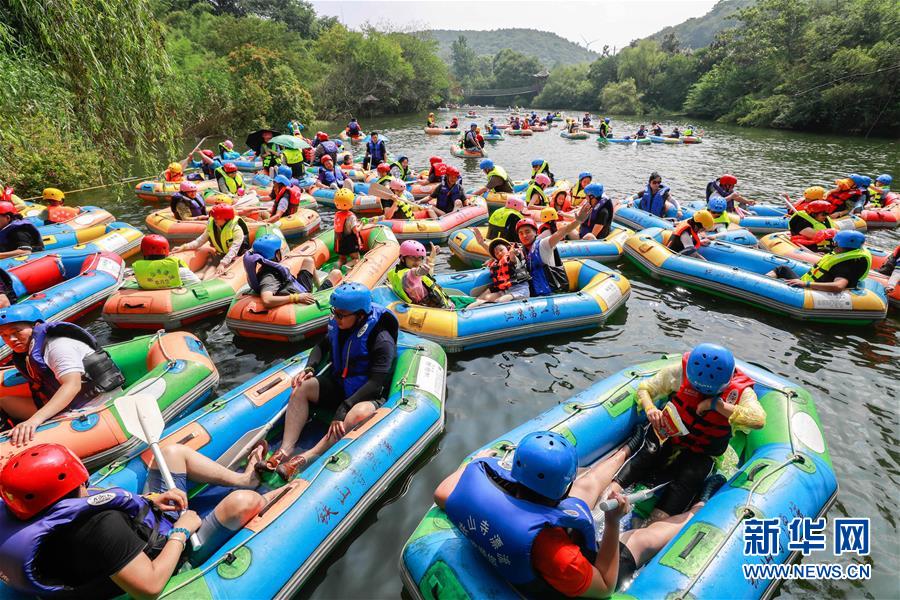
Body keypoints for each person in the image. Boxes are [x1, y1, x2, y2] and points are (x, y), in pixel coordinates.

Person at [435, 430, 710, 598]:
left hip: (530, 523)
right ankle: (701, 506)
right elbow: (604, 586)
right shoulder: (560, 557)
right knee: (639, 539)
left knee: (585, 489)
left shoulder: (469, 494)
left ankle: (628, 449)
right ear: (561, 488)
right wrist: (613, 524)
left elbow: (442, 492)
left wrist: (476, 460)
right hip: (557, 566)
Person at [0, 442, 273, 598]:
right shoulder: (100, 527)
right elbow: (150, 588)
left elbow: (86, 500)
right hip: (162, 556)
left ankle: (242, 478)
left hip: (138, 533)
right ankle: (280, 490)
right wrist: (181, 531)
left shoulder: (31, 514)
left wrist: (150, 500)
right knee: (243, 502)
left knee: (171, 453)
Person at [610, 344, 764, 523]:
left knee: (690, 476)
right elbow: (645, 389)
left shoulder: (742, 391)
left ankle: (653, 523)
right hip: (670, 433)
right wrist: (650, 407)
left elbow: (758, 420)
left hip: (703, 449)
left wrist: (715, 405)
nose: (700, 394)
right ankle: (611, 491)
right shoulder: (680, 371)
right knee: (648, 453)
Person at [258, 283, 398, 480]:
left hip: (366, 394)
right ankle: (285, 450)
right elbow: (321, 346)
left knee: (357, 414)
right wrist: (310, 368)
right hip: (340, 384)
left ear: (360, 315)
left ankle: (306, 457)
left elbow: (376, 383)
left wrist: (344, 408)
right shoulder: (339, 325)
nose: (336, 318)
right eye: (335, 312)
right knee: (303, 387)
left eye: (341, 315)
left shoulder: (381, 339)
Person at [0, 305, 125, 445]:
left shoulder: (58, 346)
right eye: (4, 335)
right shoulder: (29, 351)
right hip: (69, 404)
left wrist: (34, 420)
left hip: (94, 406)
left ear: (36, 326)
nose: (11, 339)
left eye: (16, 331)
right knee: (4, 401)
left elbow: (72, 384)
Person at [243, 234, 340, 309]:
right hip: (299, 294)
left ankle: (318, 289)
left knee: (309, 260)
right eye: (280, 250)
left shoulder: (266, 268)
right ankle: (320, 294)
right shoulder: (269, 277)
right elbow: (267, 300)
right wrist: (297, 297)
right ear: (276, 254)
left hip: (297, 288)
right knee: (336, 273)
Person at [516, 203, 592, 297]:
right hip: (534, 295)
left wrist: (577, 221)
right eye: (521, 233)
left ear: (535, 232)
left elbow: (562, 232)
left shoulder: (543, 244)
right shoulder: (521, 251)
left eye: (527, 232)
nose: (524, 235)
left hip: (552, 294)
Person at [772, 230, 872, 292]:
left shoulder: (847, 264)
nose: (833, 245)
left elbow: (839, 286)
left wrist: (805, 284)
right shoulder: (851, 253)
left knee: (781, 269)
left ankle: (760, 285)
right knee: (783, 269)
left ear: (842, 245)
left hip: (811, 291)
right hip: (812, 285)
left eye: (835, 243)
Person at [173, 203, 249, 280]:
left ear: (226, 218)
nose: (214, 219)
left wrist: (223, 263)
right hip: (222, 254)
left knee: (216, 275)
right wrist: (183, 247)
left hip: (236, 257)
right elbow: (199, 241)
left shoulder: (237, 230)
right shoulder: (213, 225)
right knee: (207, 273)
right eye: (214, 217)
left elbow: (234, 249)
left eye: (217, 218)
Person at [388, 241, 466, 309]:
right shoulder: (408, 276)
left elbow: (427, 277)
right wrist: (418, 272)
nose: (417, 261)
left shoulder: (397, 271)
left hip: (440, 304)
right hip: (439, 311)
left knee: (472, 300)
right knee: (477, 302)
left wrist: (432, 256)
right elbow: (411, 274)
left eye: (420, 258)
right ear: (402, 258)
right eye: (413, 258)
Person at [469, 238, 531, 306]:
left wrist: (513, 253)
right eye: (496, 253)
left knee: (500, 301)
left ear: (508, 248)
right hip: (506, 291)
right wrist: (482, 244)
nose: (499, 253)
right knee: (486, 297)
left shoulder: (513, 257)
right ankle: (470, 307)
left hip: (520, 291)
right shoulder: (498, 263)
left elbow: (513, 259)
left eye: (501, 250)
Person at [133, 234, 201, 290]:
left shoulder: (138, 269)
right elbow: (198, 284)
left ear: (143, 251)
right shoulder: (178, 268)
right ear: (167, 251)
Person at [332, 188, 361, 268]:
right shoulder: (351, 216)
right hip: (350, 242)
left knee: (342, 258)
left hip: (339, 241)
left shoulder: (337, 214)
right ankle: (348, 265)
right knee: (356, 258)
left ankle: (337, 266)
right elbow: (355, 230)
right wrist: (362, 225)